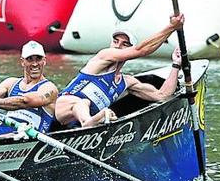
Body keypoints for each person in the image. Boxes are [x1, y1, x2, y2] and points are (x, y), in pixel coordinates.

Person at [55, 14, 186, 127]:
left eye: (124, 44)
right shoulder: (102, 57)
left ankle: (92, 122)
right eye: (115, 41)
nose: (118, 45)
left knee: (90, 107)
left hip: (74, 125)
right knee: (83, 102)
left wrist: (176, 65)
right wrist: (171, 27)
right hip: (62, 110)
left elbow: (162, 96)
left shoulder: (127, 82)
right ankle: (89, 122)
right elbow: (141, 50)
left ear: (130, 49)